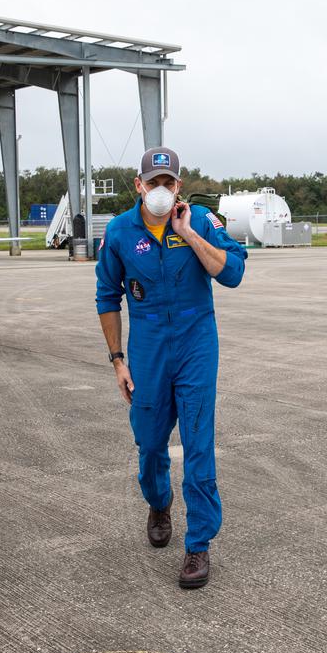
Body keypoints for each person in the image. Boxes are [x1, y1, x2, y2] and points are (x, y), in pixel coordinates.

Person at [95, 146, 248, 589]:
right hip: (147, 348)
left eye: (168, 182)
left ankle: (198, 544)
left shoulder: (200, 220)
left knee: (198, 445)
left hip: (196, 342)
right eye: (153, 182)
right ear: (138, 185)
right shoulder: (121, 232)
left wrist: (188, 232)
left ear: (178, 186)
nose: (160, 190)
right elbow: (108, 297)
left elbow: (233, 273)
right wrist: (118, 360)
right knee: (149, 442)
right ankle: (158, 504)